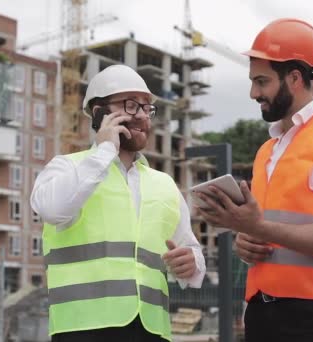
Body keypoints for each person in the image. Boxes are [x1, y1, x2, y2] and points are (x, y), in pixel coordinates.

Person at [195, 18, 313, 342]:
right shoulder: (268, 150)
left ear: (294, 77)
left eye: (262, 81)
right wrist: (247, 244)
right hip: (263, 315)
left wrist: (259, 228)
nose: (254, 93)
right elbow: (271, 230)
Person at [30, 64, 206, 342]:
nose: (142, 117)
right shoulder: (66, 168)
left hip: (151, 331)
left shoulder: (164, 184)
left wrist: (192, 264)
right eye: (131, 105)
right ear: (99, 113)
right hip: (81, 330)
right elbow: (52, 210)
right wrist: (104, 151)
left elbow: (191, 251)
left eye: (147, 108)